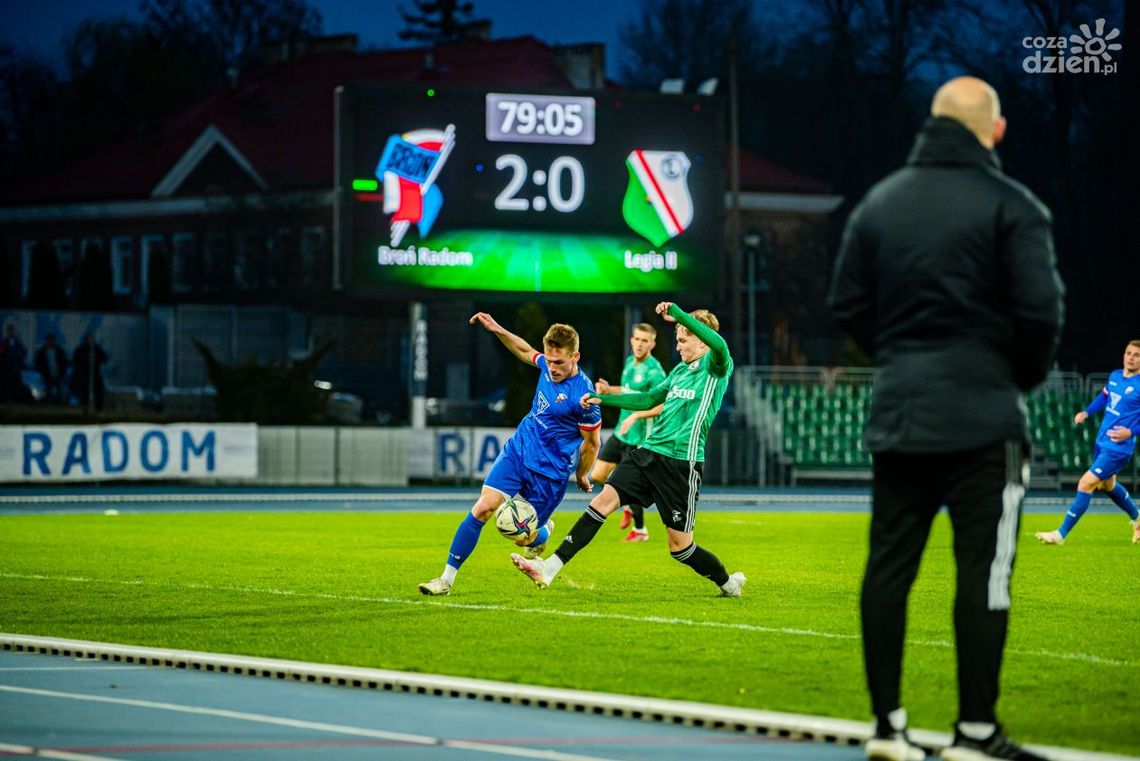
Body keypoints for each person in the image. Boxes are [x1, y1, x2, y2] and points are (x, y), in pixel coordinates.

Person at [828, 76, 1064, 761]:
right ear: (995, 130)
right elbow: (1042, 314)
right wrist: (1009, 377)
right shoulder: (1015, 206)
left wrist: (902, 358)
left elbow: (846, 304)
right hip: (985, 420)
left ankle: (888, 727)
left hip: (901, 412)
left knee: (888, 568)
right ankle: (975, 733)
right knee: (983, 573)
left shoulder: (880, 202)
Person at [509, 302, 745, 597]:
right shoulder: (679, 371)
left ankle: (729, 583)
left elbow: (719, 344)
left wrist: (678, 314)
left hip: (681, 464)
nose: (678, 346)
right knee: (601, 502)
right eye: (677, 339)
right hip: (648, 453)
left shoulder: (717, 365)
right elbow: (648, 399)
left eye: (683, 339)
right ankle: (549, 568)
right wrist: (603, 399)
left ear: (701, 339)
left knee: (681, 549)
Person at [418, 313, 601, 596]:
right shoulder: (547, 365)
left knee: (522, 537)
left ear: (575, 356)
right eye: (549, 361)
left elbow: (592, 443)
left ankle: (542, 533)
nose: (552, 368)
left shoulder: (585, 397)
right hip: (519, 451)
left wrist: (582, 474)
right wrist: (496, 328)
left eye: (559, 362)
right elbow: (524, 350)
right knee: (483, 508)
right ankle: (445, 580)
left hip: (549, 474)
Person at [1036, 340, 1140, 546]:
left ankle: (1060, 534)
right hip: (1102, 441)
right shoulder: (1115, 376)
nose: (1131, 358)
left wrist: (1131, 431)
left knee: (1086, 483)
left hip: (1119, 448)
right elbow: (1104, 397)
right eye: (1129, 353)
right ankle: (1138, 518)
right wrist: (1087, 412)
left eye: (1137, 355)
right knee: (1107, 485)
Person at [590, 322, 667, 542]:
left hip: (639, 438)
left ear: (652, 344)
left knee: (627, 483)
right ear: (631, 340)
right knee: (597, 475)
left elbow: (662, 406)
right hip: (621, 433)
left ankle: (640, 530)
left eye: (645, 340)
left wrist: (635, 416)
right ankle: (625, 503)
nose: (640, 344)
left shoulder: (655, 372)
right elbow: (627, 390)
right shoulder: (629, 362)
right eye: (637, 339)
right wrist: (608, 390)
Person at [70, 333, 108, 411]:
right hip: (84, 375)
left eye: (92, 339)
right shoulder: (80, 349)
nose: (90, 341)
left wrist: (96, 357)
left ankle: (98, 408)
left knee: (98, 391)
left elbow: (104, 358)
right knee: (85, 393)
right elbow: (75, 361)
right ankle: (85, 408)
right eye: (89, 339)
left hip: (95, 374)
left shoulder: (96, 349)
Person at [34, 333, 69, 404]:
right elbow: (38, 362)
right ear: (46, 341)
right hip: (47, 374)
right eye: (49, 340)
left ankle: (59, 402)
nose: (51, 342)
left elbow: (64, 361)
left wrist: (62, 371)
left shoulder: (59, 350)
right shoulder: (42, 351)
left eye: (52, 340)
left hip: (58, 374)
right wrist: (42, 371)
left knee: (59, 389)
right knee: (48, 389)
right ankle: (48, 402)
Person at [0, 323, 29, 404]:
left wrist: (18, 358)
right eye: (9, 330)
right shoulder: (3, 342)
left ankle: (15, 399)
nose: (11, 332)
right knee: (6, 384)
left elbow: (24, 352)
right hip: (6, 368)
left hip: (16, 368)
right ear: (7, 332)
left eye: (12, 330)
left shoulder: (17, 342)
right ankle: (5, 399)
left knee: (16, 384)